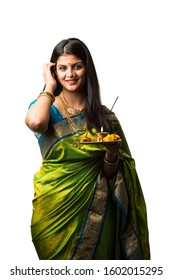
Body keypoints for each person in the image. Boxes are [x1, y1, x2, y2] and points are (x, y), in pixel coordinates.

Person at [25, 38, 150, 260]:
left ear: (87, 69)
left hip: (100, 210)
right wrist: (48, 87)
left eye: (77, 66)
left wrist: (111, 153)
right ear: (54, 72)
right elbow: (35, 123)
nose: (70, 74)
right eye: (62, 68)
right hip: (55, 208)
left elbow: (113, 174)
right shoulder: (45, 107)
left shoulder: (105, 117)